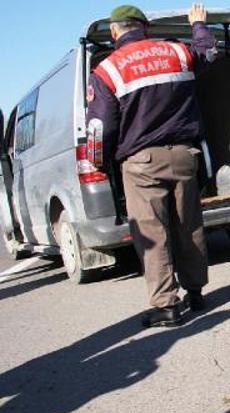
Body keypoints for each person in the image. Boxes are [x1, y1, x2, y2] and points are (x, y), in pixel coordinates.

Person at [86, 4, 216, 328]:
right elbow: (209, 52)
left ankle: (166, 307)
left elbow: (101, 127)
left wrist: (101, 163)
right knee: (189, 225)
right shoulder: (176, 51)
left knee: (153, 235)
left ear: (115, 32)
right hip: (186, 155)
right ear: (145, 27)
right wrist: (198, 25)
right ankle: (196, 293)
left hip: (142, 162)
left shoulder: (107, 70)